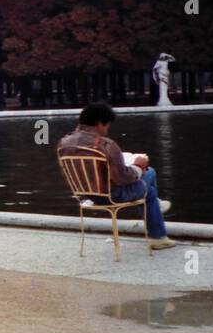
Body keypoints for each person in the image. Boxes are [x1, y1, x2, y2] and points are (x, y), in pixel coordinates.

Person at [58, 102, 174, 250]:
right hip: (112, 195)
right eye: (107, 125)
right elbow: (122, 178)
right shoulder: (105, 145)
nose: (107, 129)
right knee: (150, 174)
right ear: (100, 123)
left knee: (148, 191)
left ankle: (157, 210)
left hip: (86, 195)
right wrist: (138, 166)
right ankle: (158, 235)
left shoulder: (64, 143)